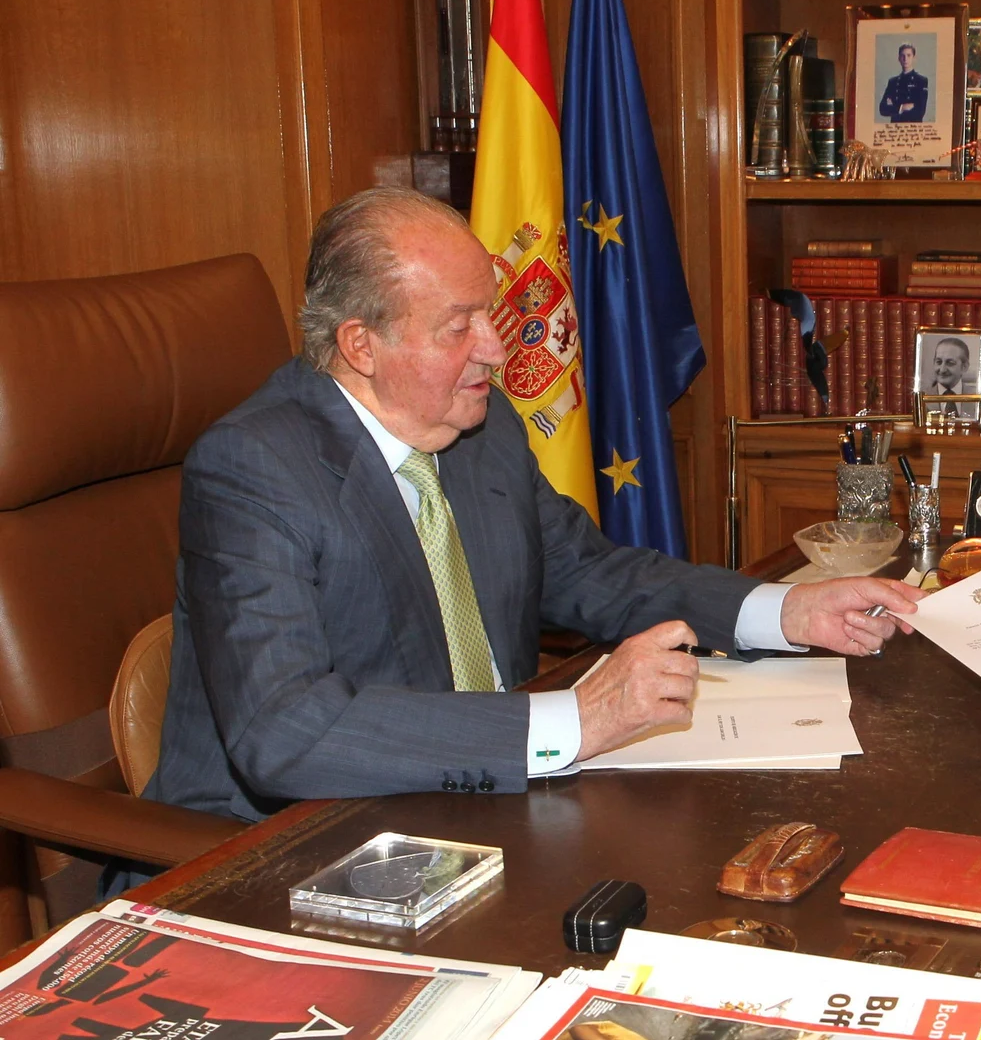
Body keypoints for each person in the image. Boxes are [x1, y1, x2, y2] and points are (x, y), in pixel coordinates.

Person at [148, 187, 920, 822]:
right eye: (461, 326)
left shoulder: (479, 428)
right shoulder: (253, 469)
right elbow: (284, 732)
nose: (496, 346)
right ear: (361, 346)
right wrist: (573, 721)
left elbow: (590, 570)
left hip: (483, 804)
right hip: (287, 846)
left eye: (490, 311)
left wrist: (783, 611)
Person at [924, 335, 978, 420]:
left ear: (964, 367)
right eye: (939, 362)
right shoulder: (923, 398)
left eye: (950, 363)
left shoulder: (977, 398)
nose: (942, 370)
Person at [879, 43, 928, 123]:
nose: (905, 59)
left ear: (914, 58)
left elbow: (920, 112)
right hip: (894, 128)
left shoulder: (921, 81)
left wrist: (894, 108)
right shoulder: (893, 82)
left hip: (913, 129)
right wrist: (902, 107)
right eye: (903, 55)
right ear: (899, 58)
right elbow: (883, 109)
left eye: (909, 55)